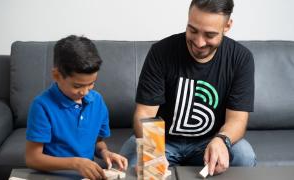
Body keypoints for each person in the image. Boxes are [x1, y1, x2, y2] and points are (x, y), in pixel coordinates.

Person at [120, 0, 256, 176]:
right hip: (162, 141)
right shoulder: (161, 52)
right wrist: (153, 151)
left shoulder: (240, 59)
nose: (199, 43)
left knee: (243, 155)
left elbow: (237, 119)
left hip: (209, 142)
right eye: (193, 30)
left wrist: (222, 140)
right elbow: (144, 113)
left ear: (227, 26)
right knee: (128, 162)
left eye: (209, 35)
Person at [25, 35, 128, 180]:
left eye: (91, 84)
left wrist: (105, 153)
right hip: (52, 176)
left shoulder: (97, 101)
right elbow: (32, 158)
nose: (85, 92)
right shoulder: (42, 106)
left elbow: (97, 142)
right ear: (56, 75)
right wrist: (76, 163)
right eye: (77, 86)